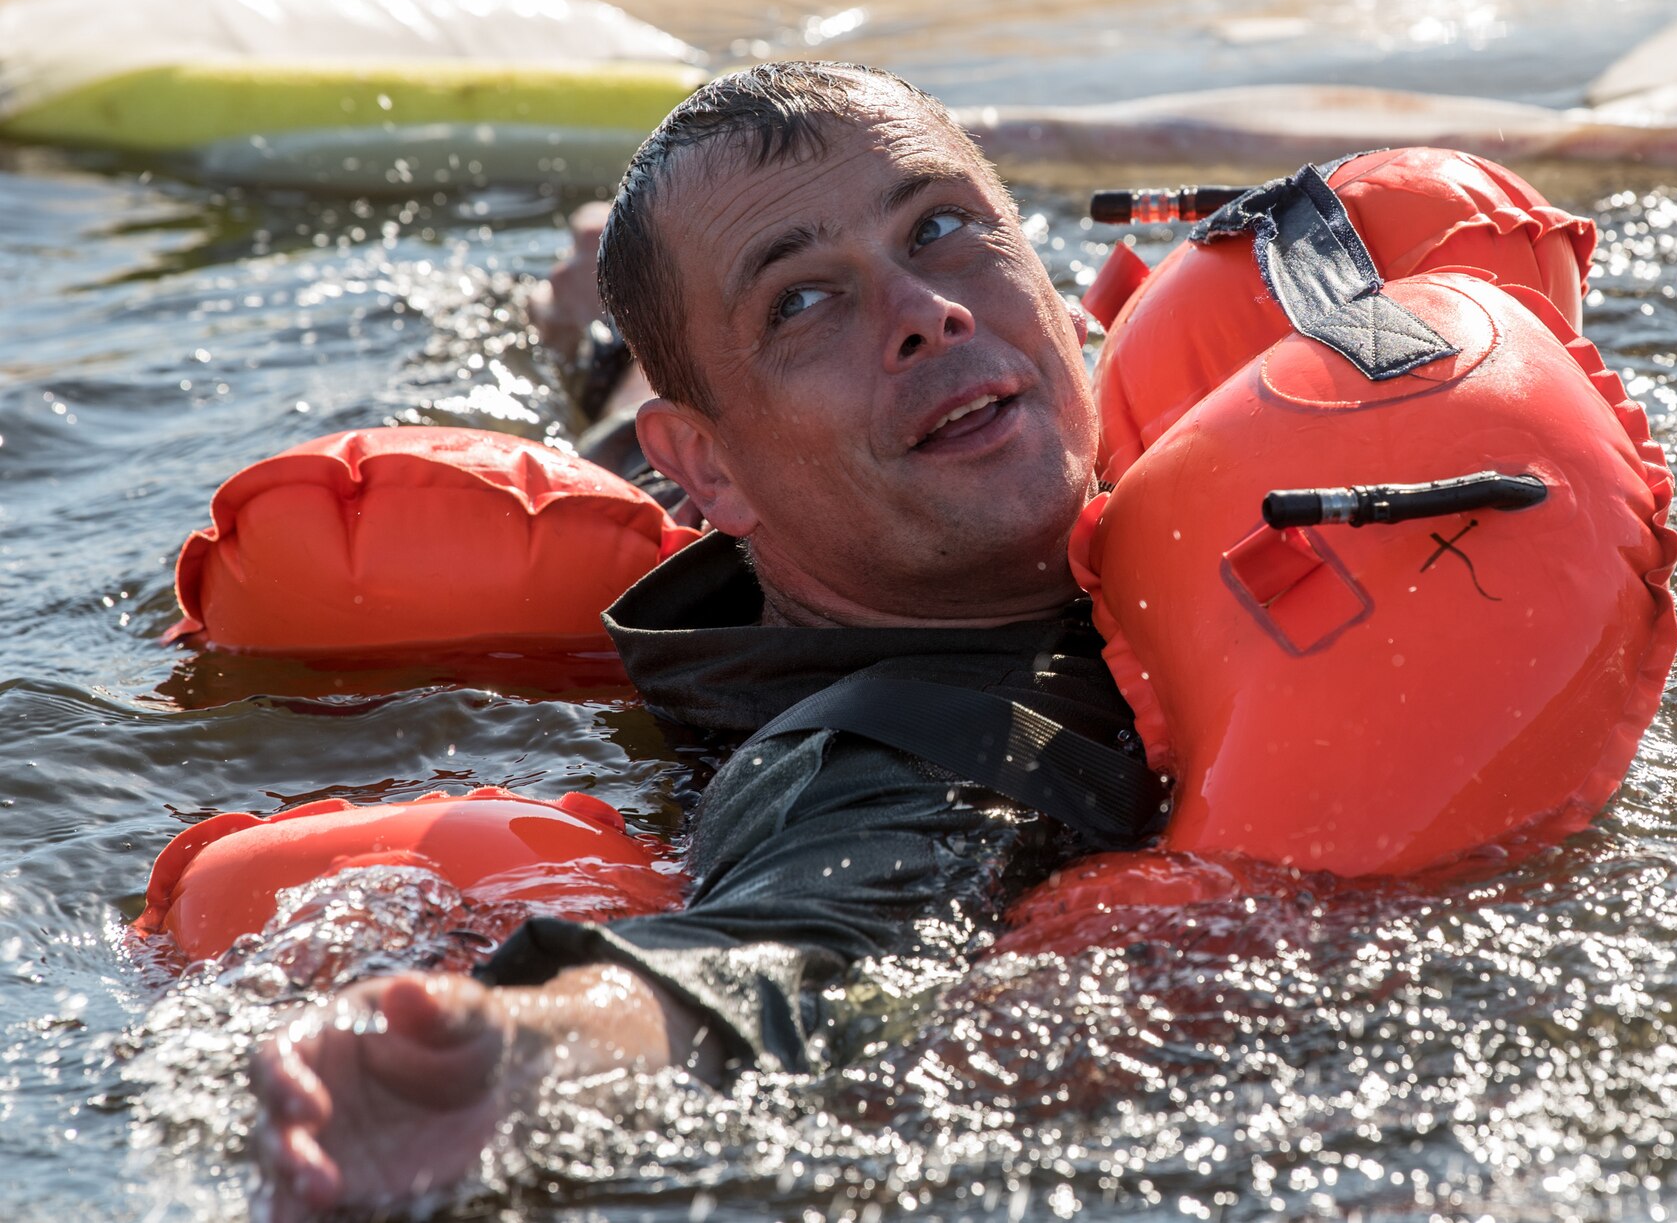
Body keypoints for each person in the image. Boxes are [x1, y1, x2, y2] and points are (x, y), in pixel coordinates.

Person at [249, 60, 1147, 1221]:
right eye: (800, 300)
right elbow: (798, 949)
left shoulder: (955, 427)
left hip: (728, 473)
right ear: (713, 465)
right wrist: (523, 1057)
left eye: (937, 227)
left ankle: (609, 344)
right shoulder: (900, 750)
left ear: (1054, 288)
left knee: (629, 413)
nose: (927, 313)